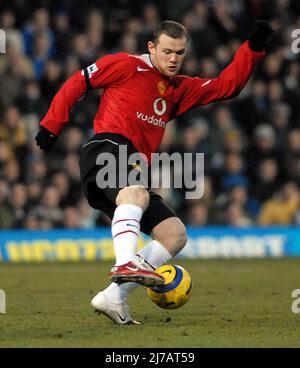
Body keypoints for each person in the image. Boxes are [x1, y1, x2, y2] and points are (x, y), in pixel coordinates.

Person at [35, 20, 273, 324]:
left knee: (174, 234)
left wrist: (253, 48)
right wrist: (51, 124)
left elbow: (227, 86)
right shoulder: (124, 65)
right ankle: (125, 262)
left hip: (132, 169)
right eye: (167, 51)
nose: (173, 58)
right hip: (107, 147)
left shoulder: (178, 89)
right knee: (135, 190)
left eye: (179, 53)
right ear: (151, 47)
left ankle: (113, 297)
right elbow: (78, 81)